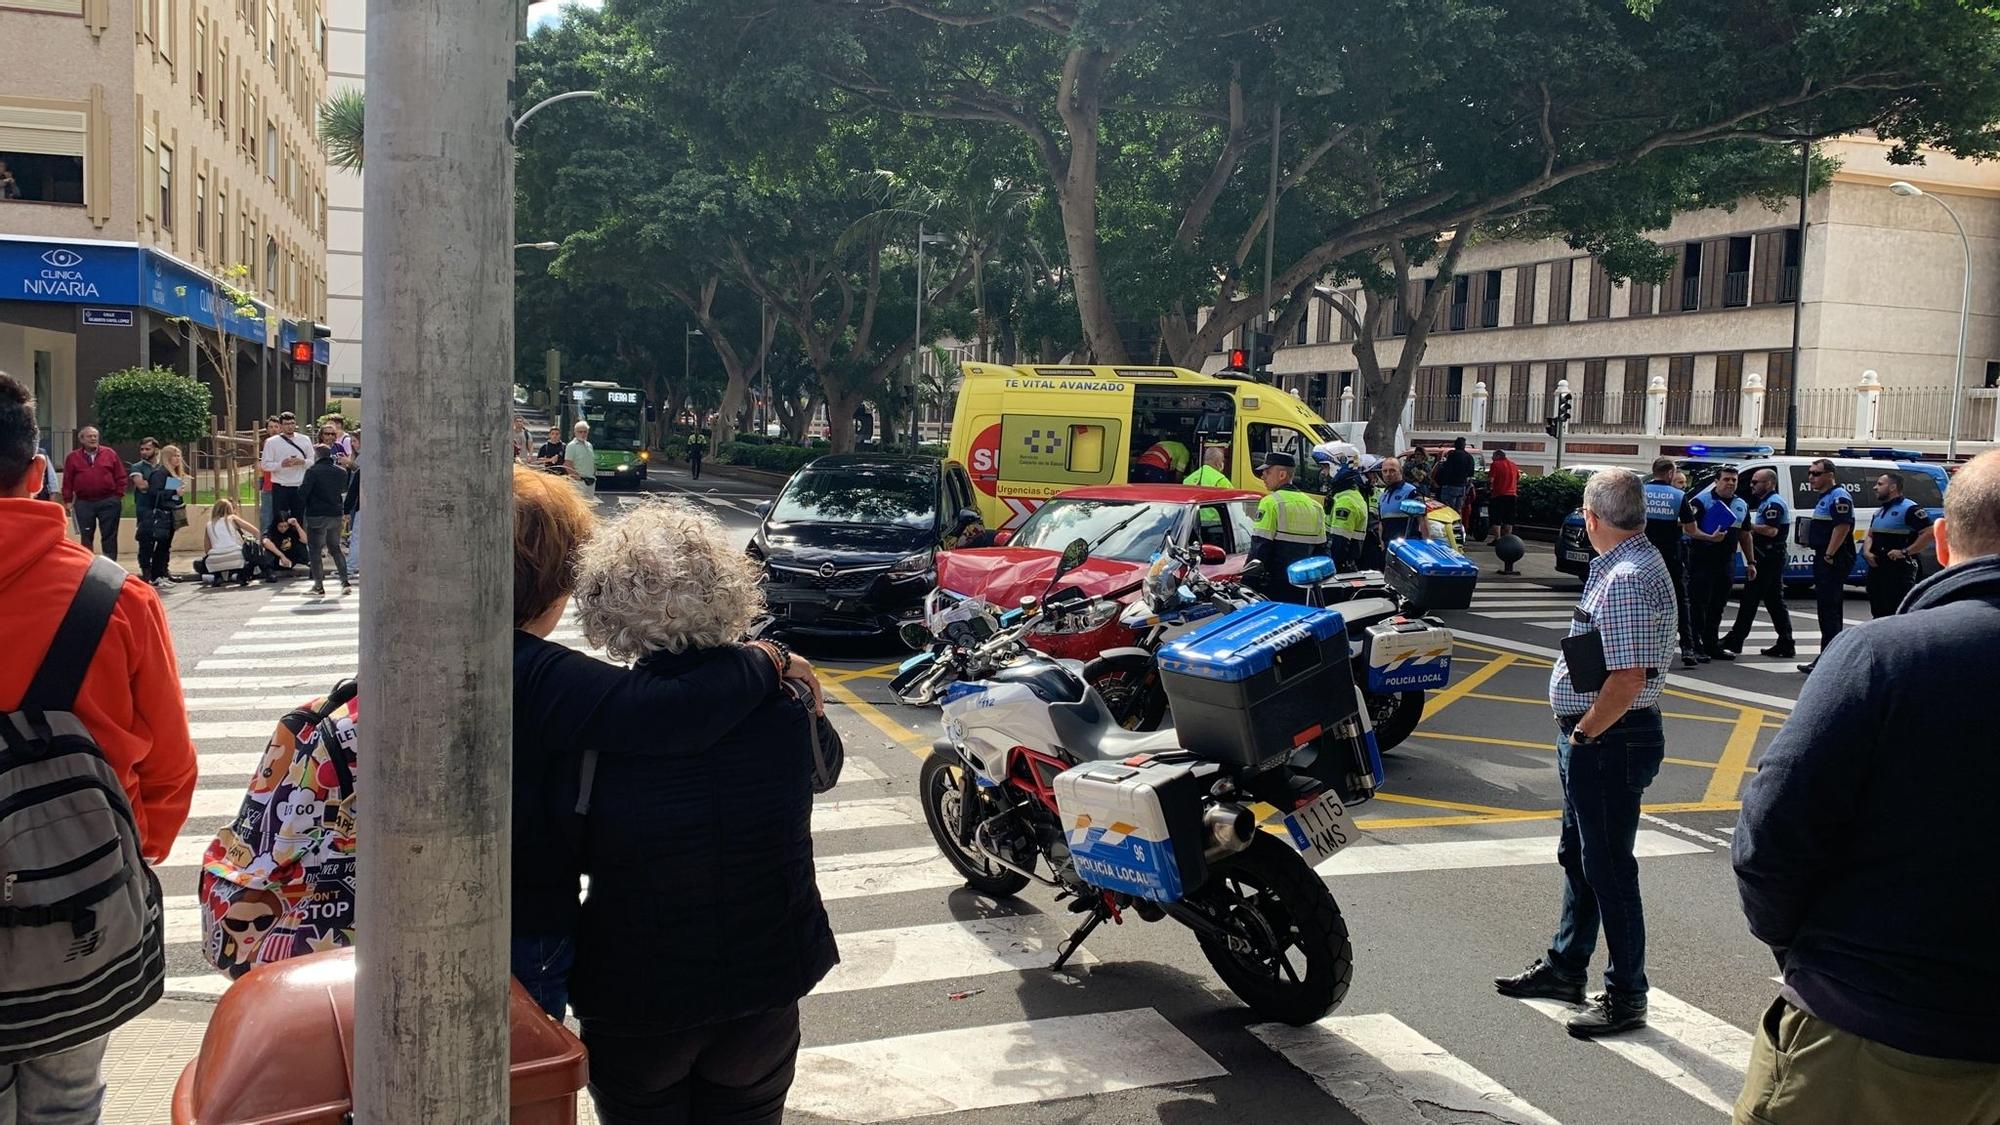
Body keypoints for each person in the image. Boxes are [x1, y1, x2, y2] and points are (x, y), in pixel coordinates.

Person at [1731, 449, 2000, 1125]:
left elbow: (1770, 836)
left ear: (1941, 541)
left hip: (1870, 1038)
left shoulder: (1885, 655)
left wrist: (1809, 956)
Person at [559, 498, 836, 1122]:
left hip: (639, 993)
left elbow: (567, 848)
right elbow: (827, 768)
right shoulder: (784, 703)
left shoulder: (604, 723)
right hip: (765, 981)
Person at [0, 372, 197, 1119]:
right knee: (68, 1096)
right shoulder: (113, 598)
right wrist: (120, 848)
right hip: (77, 906)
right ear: (38, 469)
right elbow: (171, 767)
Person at [1495, 469, 1675, 1039]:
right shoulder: (1635, 562)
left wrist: (1585, 734)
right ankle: (1567, 966)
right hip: (1606, 735)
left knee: (1608, 869)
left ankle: (1627, 995)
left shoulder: (1624, 576)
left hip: (1607, 738)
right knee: (1580, 857)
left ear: (1592, 517)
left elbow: (1626, 678)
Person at [1720, 467, 1795, 659]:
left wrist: (1748, 526)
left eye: (1756, 482)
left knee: (1751, 598)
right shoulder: (1766, 502)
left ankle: (1736, 639)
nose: (1751, 485)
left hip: (1769, 556)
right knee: (1774, 601)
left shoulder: (1773, 504)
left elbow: (1772, 531)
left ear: (1769, 483)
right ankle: (1786, 642)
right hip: (1769, 555)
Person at [1679, 466, 1751, 661]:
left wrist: (1750, 561)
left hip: (1725, 561)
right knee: (1698, 603)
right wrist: (1709, 538)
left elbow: (1745, 534)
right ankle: (1694, 645)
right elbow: (1688, 529)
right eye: (1726, 479)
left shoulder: (1741, 504)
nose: (1730, 483)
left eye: (1733, 480)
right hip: (1701, 560)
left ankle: (1711, 644)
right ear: (1717, 481)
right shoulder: (1701, 502)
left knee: (1718, 605)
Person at [1642, 458, 1702, 668]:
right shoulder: (1678, 495)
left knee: (1644, 602)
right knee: (1680, 601)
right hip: (1670, 556)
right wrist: (1711, 536)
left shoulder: (1640, 492)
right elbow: (1691, 529)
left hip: (1642, 555)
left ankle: (1645, 650)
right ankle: (1688, 647)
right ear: (1669, 474)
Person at [1798, 457, 1856, 674]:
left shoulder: (1838, 496)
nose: (1811, 477)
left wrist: (1829, 554)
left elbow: (1842, 526)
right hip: (1825, 555)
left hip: (1833, 558)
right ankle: (1827, 656)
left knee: (1830, 610)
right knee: (1826, 609)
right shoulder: (1826, 496)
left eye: (1816, 473)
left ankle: (1830, 659)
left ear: (1830, 475)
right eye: (1810, 473)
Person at [1245, 451, 1324, 603]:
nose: (1263, 477)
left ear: (1282, 475)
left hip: (1274, 589)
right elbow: (1322, 552)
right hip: (1305, 591)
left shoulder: (1271, 503)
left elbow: (1259, 549)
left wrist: (1246, 585)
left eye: (1267, 472)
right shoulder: (1316, 506)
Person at [1863, 471, 1934, 618]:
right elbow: (1870, 535)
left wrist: (1905, 552)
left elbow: (1928, 533)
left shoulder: (1910, 509)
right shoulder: (1879, 511)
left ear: (1893, 487)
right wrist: (1867, 551)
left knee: (1896, 612)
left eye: (1880, 484)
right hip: (1878, 570)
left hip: (1898, 571)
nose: (1875, 487)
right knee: (1878, 612)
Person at [60, 425, 127, 559]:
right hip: (84, 503)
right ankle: (87, 566)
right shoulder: (72, 457)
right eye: (89, 436)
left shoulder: (110, 453)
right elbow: (67, 480)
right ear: (82, 439)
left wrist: (118, 495)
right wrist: (67, 500)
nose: (93, 438)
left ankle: (110, 566)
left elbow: (121, 475)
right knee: (86, 536)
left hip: (108, 501)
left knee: (109, 536)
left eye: (95, 436)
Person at [300, 443, 351, 595]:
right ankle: (345, 582)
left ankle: (318, 586)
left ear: (317, 456)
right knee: (335, 548)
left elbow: (303, 493)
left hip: (316, 515)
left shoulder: (312, 471)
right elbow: (343, 489)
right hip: (335, 514)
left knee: (315, 551)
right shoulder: (341, 472)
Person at [139, 444, 191, 588]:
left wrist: (177, 494)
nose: (177, 459)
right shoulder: (160, 473)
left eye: (179, 456)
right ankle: (156, 575)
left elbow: (173, 497)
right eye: (174, 456)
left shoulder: (172, 474)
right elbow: (155, 494)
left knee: (165, 546)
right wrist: (174, 492)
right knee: (160, 545)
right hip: (160, 515)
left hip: (170, 514)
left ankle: (163, 572)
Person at [193, 498, 269, 585]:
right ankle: (242, 577)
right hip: (236, 556)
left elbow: (207, 549)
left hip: (214, 560)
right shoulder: (232, 518)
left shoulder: (209, 524)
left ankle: (218, 576)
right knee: (248, 555)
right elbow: (256, 531)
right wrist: (258, 546)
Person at [259, 411, 314, 525]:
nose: (290, 426)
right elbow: (265, 465)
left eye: (292, 423)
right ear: (281, 426)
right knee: (280, 520)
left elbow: (312, 462)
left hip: (299, 486)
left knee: (298, 520)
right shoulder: (271, 442)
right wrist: (281, 465)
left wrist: (302, 462)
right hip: (280, 486)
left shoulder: (305, 440)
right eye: (286, 424)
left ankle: (298, 542)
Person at [1325, 462, 1370, 571]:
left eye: (1326, 468)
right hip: (1347, 565)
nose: (1324, 473)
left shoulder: (1346, 501)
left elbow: (1339, 544)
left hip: (1339, 568)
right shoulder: (1350, 496)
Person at [129, 437, 162, 581]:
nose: (144, 452)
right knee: (145, 542)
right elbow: (141, 486)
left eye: (148, 449)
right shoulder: (137, 467)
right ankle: (146, 570)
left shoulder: (163, 466)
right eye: (142, 449)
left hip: (162, 508)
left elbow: (176, 486)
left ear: (156, 449)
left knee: (163, 542)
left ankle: (161, 571)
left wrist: (154, 484)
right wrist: (161, 484)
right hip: (145, 509)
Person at [1375, 457, 1421, 545]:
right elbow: (1382, 523)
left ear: (1400, 471)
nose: (1388, 474)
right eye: (1385, 471)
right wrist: (1382, 543)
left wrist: (1426, 546)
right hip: (1389, 548)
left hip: (1407, 549)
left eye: (1392, 470)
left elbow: (1422, 521)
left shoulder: (1411, 492)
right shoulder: (1383, 496)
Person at [1434, 437, 1476, 515]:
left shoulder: (1452, 455)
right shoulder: (1469, 457)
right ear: (1464, 445)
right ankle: (1458, 525)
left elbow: (1446, 470)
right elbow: (1471, 473)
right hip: (1462, 486)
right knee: (1458, 510)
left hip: (1450, 485)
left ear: (1455, 445)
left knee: (1448, 510)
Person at [1487, 449, 1520, 541]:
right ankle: (1507, 539)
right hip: (1512, 495)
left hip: (1498, 495)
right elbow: (1518, 479)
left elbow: (1491, 480)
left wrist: (1489, 486)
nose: (1492, 458)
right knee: (1509, 518)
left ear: (1497, 456)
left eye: (1493, 456)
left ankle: (1497, 539)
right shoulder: (1513, 465)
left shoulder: (1495, 464)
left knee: (1496, 517)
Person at [257, 415, 280, 536]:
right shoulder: (267, 442)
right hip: (268, 485)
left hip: (280, 484)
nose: (273, 429)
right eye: (270, 427)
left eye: (276, 426)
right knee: (266, 516)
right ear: (267, 430)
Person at [342, 437, 361, 578]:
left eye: (354, 441)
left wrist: (346, 508)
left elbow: (355, 487)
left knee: (357, 536)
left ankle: (352, 566)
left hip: (364, 505)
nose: (352, 444)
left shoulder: (361, 460)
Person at [565, 420, 597, 499]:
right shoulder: (571, 446)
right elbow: (567, 465)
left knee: (589, 506)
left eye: (585, 432)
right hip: (578, 482)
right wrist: (578, 478)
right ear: (575, 432)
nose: (583, 434)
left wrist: (593, 475)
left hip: (590, 481)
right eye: (580, 432)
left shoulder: (589, 445)